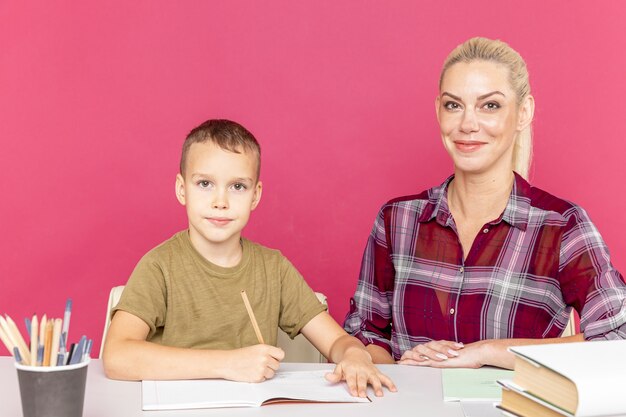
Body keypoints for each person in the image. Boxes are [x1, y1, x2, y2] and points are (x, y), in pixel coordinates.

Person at [344, 37, 626, 370]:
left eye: (489, 105)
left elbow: (617, 336)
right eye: (454, 105)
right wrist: (399, 370)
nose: (467, 124)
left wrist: (486, 353)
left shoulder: (561, 225)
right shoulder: (397, 220)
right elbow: (365, 336)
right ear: (438, 111)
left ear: (523, 113)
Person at [103, 119, 396, 397]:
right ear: (182, 189)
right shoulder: (160, 266)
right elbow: (117, 356)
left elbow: (336, 341)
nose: (220, 202)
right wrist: (227, 364)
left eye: (237, 186)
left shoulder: (273, 269)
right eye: (205, 184)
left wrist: (355, 354)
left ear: (255, 195)